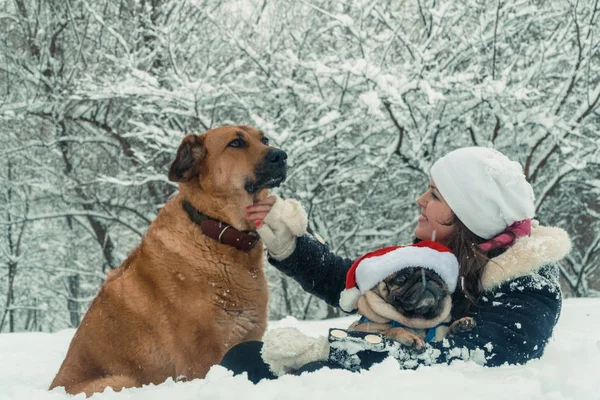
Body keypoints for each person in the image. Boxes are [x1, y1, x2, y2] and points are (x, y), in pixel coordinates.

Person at [220, 147, 571, 383]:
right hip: (384, 365)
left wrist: (333, 356)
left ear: (469, 215)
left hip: (414, 383)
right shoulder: (446, 256)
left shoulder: (528, 284)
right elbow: (361, 285)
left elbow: (475, 357)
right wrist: (291, 246)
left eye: (434, 195)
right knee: (247, 357)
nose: (420, 200)